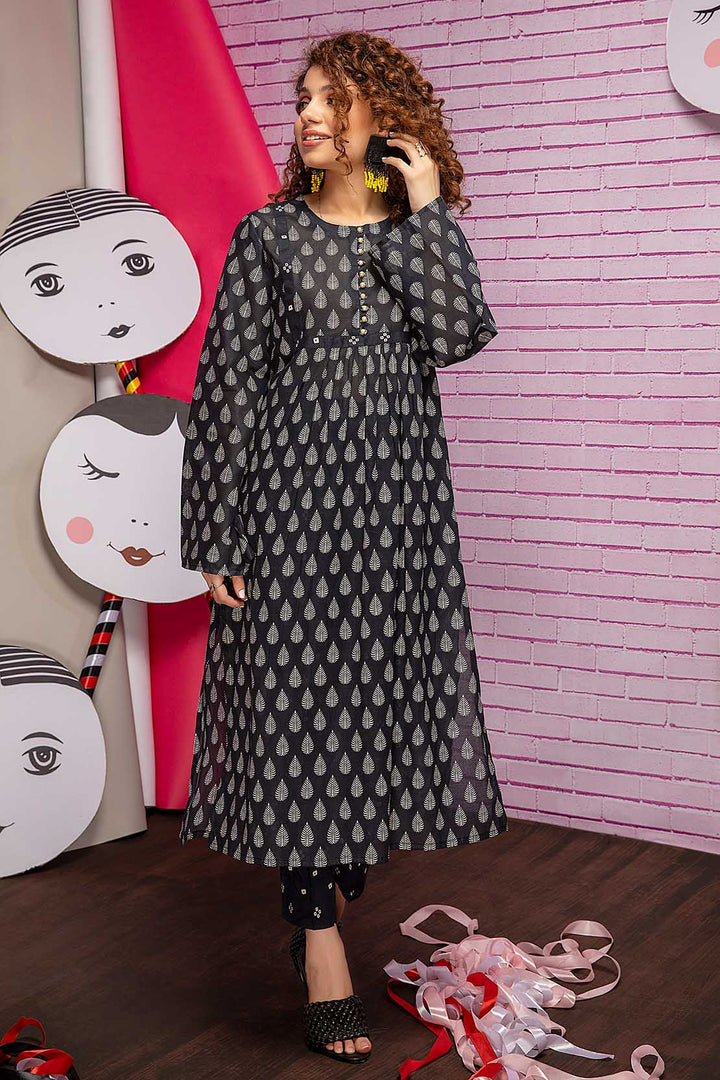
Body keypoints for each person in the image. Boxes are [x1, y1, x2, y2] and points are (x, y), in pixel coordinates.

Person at [178, 29, 508, 1066]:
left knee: (370, 717)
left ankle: (327, 885)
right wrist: (215, 530)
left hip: (397, 523)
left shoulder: (415, 234)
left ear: (384, 119)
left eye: (334, 99)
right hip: (290, 515)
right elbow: (227, 391)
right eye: (305, 98)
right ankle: (321, 947)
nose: (310, 115)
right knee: (294, 718)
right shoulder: (269, 236)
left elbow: (458, 335)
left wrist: (427, 208)